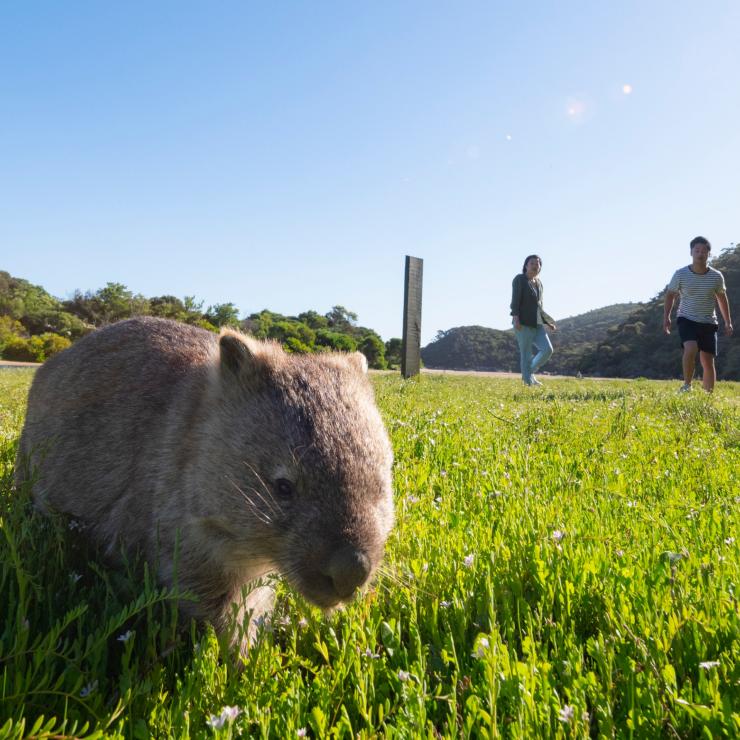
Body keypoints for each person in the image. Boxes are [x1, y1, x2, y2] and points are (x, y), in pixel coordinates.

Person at [663, 236, 733, 392]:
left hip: (709, 321)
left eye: (704, 251)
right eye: (697, 250)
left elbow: (722, 299)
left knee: (707, 360)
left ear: (709, 254)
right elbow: (670, 295)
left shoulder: (716, 276)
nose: (700, 254)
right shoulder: (680, 274)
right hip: (686, 318)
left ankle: (708, 396)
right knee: (691, 348)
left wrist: (728, 321)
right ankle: (687, 386)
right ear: (691, 252)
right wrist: (666, 316)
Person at [510, 254, 557, 386]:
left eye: (538, 264)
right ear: (526, 265)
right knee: (526, 354)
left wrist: (547, 322)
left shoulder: (539, 284)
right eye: (532, 263)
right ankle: (528, 382)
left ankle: (529, 372)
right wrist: (516, 318)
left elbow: (539, 306)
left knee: (547, 350)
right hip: (522, 323)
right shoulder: (520, 280)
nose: (535, 266)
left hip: (537, 324)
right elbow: (515, 301)